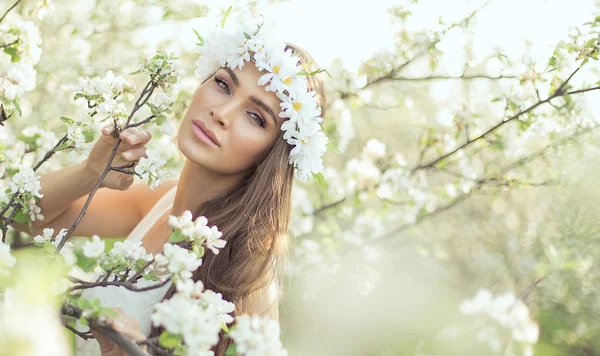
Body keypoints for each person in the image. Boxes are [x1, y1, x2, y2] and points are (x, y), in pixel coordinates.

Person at [12, 14, 328, 356]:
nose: (222, 111)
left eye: (256, 117)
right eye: (223, 84)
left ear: (271, 155)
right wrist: (91, 173)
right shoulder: (160, 200)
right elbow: (23, 215)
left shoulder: (248, 276)